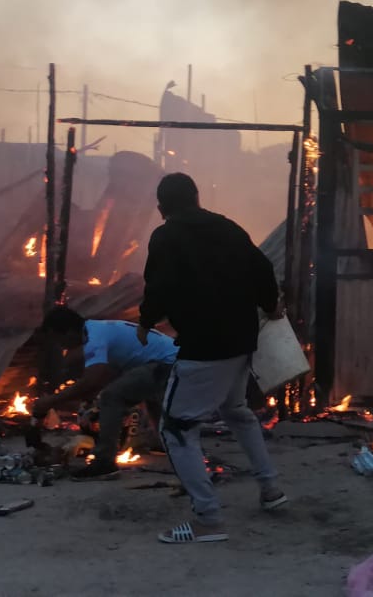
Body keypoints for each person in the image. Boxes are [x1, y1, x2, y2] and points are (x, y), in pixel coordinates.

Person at [137, 172, 287, 544]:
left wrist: (144, 321)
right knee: (236, 410)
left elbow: (158, 286)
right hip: (242, 341)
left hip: (204, 348)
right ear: (197, 198)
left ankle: (208, 519)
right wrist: (271, 305)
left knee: (175, 428)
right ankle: (270, 489)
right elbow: (263, 268)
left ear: (161, 208)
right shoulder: (228, 228)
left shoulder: (166, 236)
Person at [29, 307, 178, 480]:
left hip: (167, 363)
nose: (60, 345)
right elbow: (98, 382)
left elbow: (93, 379)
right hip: (172, 360)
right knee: (149, 400)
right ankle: (173, 446)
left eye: (58, 339)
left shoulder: (94, 337)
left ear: (69, 332)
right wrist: (61, 401)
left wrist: (49, 401)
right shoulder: (97, 329)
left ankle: (104, 462)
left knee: (112, 397)